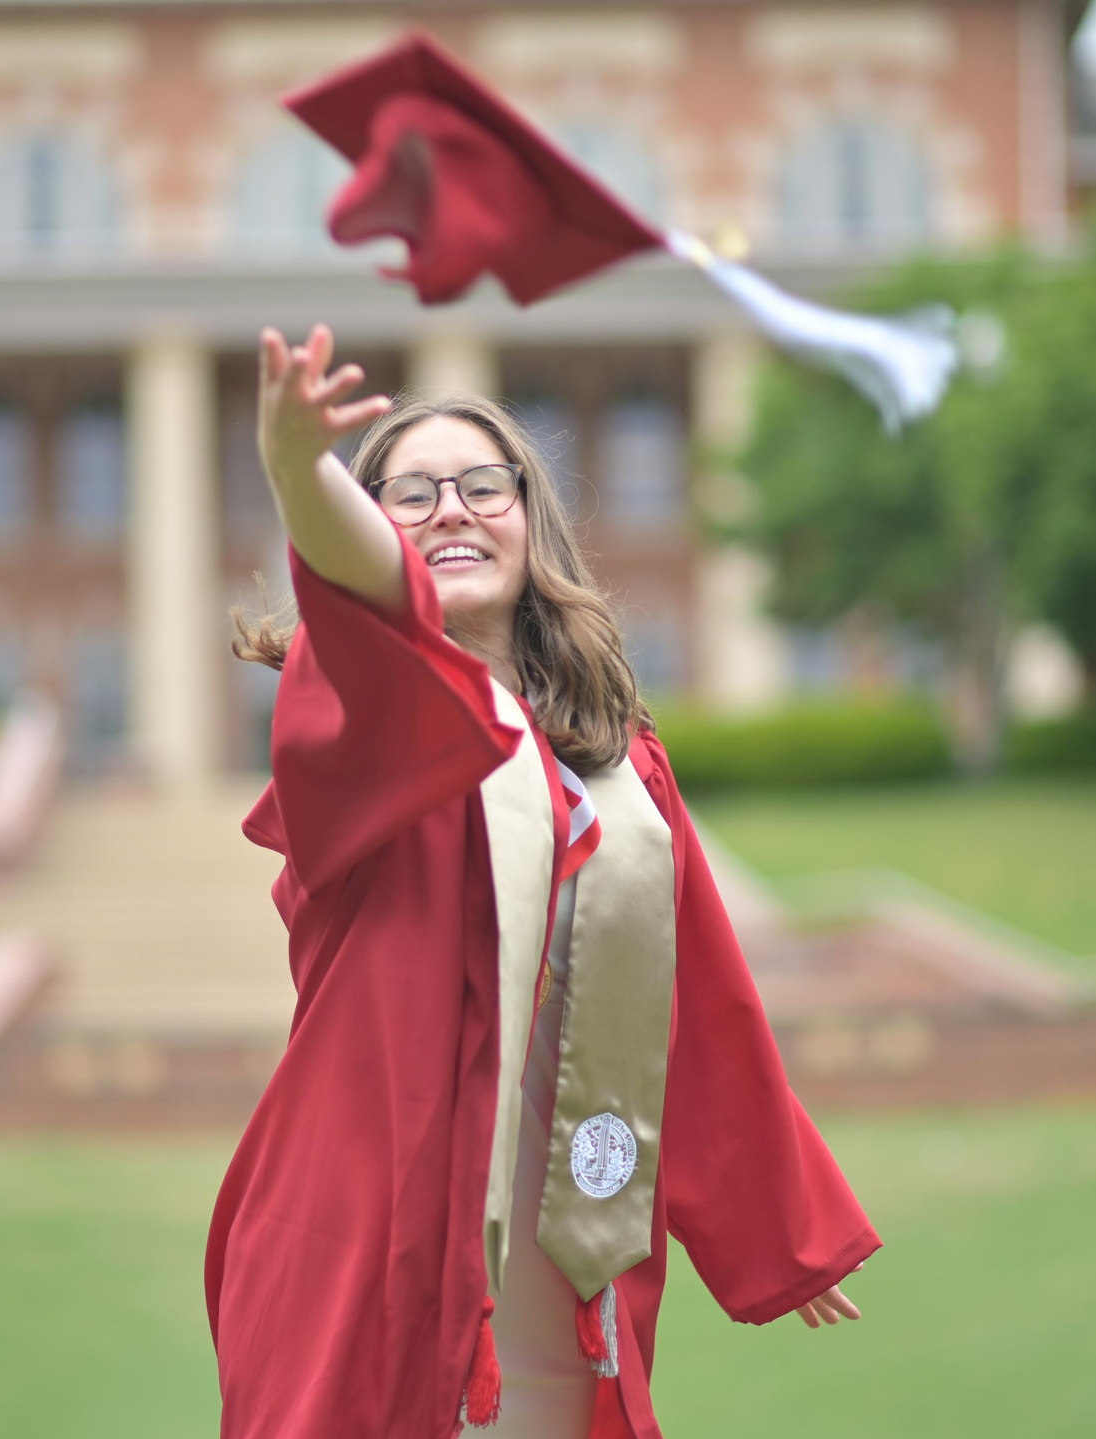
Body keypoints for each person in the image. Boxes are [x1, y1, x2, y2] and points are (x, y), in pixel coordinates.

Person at [206, 324, 876, 1439]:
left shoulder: (618, 762)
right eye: (409, 495)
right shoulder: (369, 718)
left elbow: (700, 1002)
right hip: (380, 1230)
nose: (452, 509)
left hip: (569, 1242)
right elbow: (369, 592)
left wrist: (782, 1227)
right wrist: (298, 470)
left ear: (531, 515)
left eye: (482, 483)